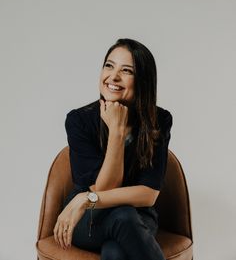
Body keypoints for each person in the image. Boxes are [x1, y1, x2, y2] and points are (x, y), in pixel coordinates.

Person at [53, 38, 173, 260]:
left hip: (137, 217)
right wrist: (117, 131)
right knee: (124, 216)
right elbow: (104, 187)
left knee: (115, 252)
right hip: (88, 219)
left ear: (142, 80)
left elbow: (148, 195)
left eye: (126, 70)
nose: (113, 76)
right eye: (109, 65)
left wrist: (85, 198)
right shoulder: (79, 120)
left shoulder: (159, 119)